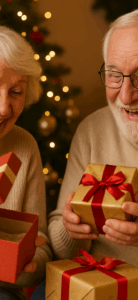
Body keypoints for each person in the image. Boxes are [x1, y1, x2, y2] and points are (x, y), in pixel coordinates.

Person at [48, 9, 138, 268]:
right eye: (113, 74)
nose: (125, 96)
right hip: (97, 281)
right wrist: (71, 228)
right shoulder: (92, 130)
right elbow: (61, 249)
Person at [0, 22, 52, 300]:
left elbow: (42, 246)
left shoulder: (24, 145)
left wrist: (26, 264)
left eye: (16, 92)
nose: (3, 108)